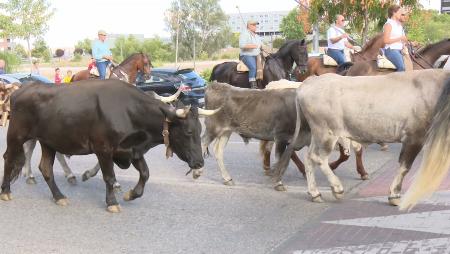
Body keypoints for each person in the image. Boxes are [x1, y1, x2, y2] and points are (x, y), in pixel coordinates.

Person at [383, 5, 408, 72]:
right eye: (400, 12)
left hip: (400, 50)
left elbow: (403, 39)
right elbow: (386, 40)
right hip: (391, 50)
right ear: (394, 13)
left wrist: (407, 41)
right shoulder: (388, 24)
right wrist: (400, 38)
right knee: (402, 67)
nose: (401, 14)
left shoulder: (399, 25)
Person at [239, 19, 262, 89]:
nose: (256, 27)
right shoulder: (244, 34)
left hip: (257, 55)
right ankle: (253, 84)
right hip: (246, 55)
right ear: (249, 26)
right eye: (254, 25)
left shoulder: (257, 36)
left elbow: (260, 45)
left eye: (256, 25)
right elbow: (242, 45)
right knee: (253, 67)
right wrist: (253, 46)